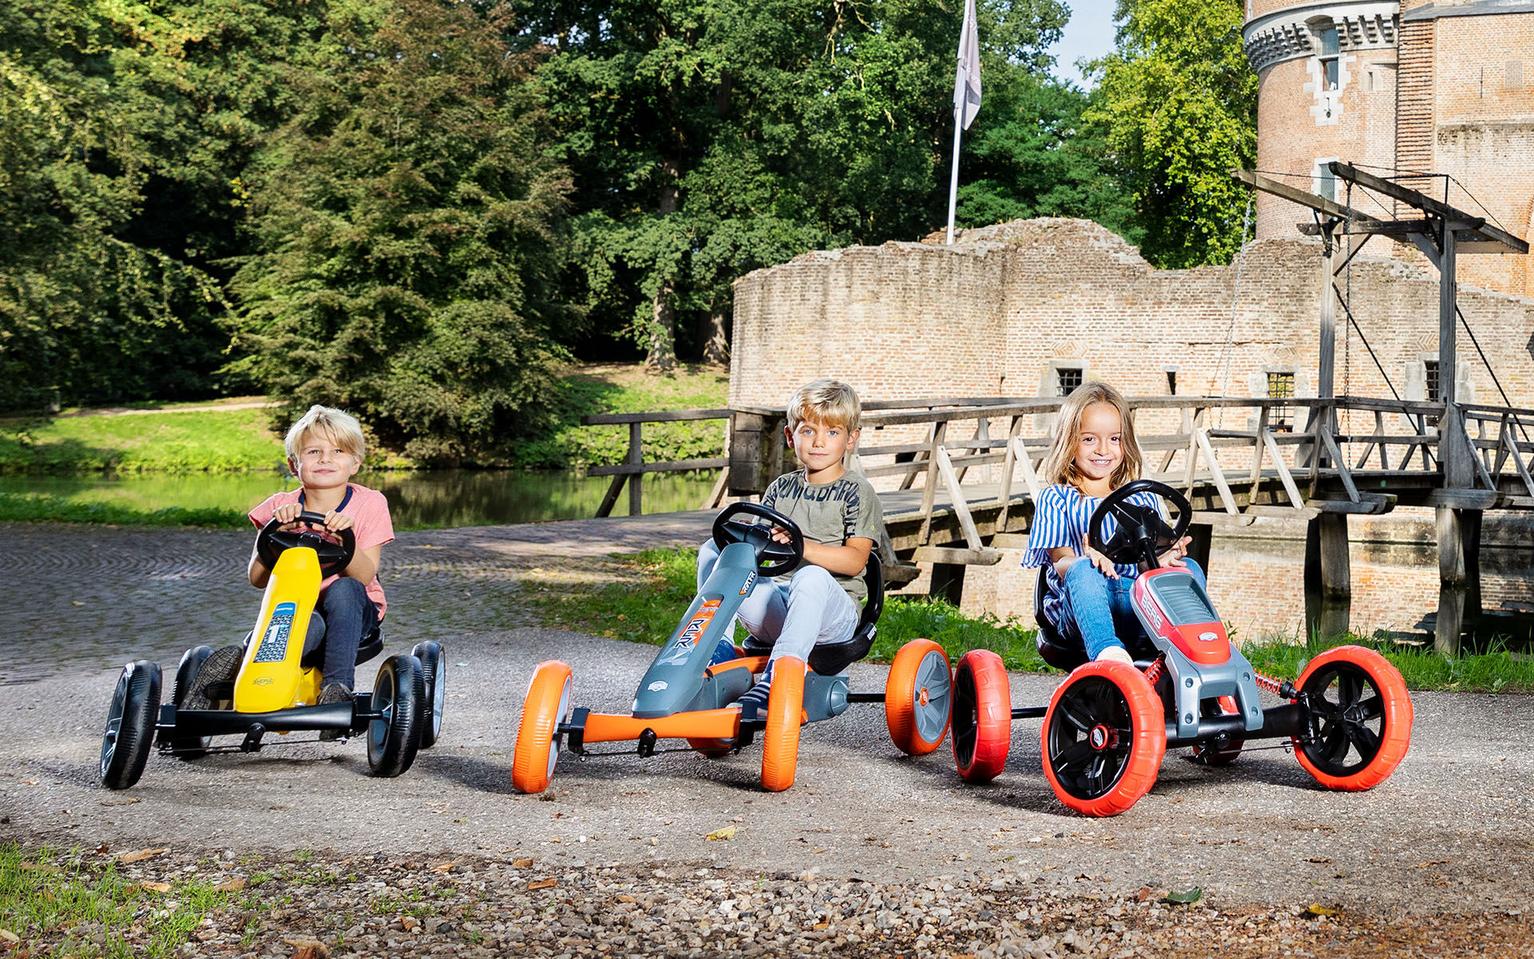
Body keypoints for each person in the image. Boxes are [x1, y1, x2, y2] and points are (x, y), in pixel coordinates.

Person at [185, 405, 394, 714]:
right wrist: (276, 534)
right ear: (294, 465)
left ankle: (336, 689)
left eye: (338, 451)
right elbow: (257, 578)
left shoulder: (370, 503)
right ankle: (238, 670)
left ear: (355, 463)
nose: (325, 459)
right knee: (301, 621)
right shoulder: (279, 506)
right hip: (298, 611)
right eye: (313, 452)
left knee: (344, 589)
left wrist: (344, 538)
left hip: (355, 612)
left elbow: (364, 576)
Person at [696, 379, 885, 715]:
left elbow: (856, 561)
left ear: (851, 439)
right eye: (808, 431)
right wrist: (758, 540)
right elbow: (756, 553)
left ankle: (780, 677)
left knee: (810, 576)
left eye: (832, 432)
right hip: (780, 606)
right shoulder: (781, 488)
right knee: (715, 550)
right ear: (789, 435)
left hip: (833, 613)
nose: (818, 442)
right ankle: (716, 647)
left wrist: (802, 548)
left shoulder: (858, 491)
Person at [1021, 381, 1198, 664]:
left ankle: (1196, 649)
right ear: (1070, 441)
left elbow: (1146, 567)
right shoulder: (1057, 499)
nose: (1103, 450)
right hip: (1082, 610)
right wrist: (1086, 559)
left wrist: (1163, 559)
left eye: (1114, 439)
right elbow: (1061, 561)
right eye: (1089, 439)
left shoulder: (1144, 498)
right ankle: (1109, 653)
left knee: (1188, 569)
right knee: (1082, 569)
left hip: (1139, 609)